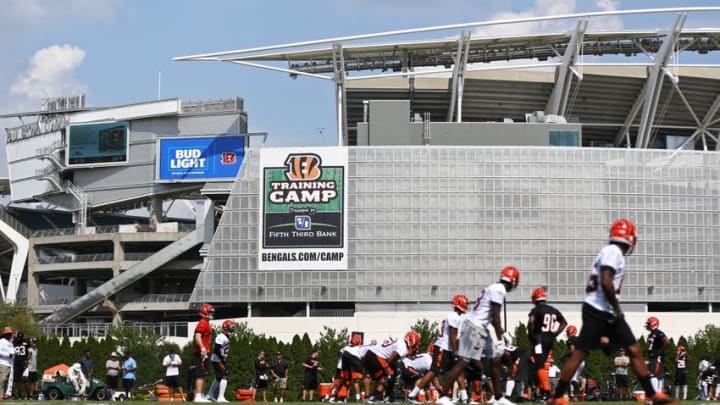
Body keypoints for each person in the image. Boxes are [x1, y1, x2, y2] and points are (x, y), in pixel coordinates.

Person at [547, 219, 674, 405]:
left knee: (631, 349)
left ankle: (652, 395)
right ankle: (556, 397)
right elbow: (606, 280)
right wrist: (616, 309)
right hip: (602, 309)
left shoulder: (609, 252)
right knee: (586, 352)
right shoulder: (613, 252)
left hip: (597, 308)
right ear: (629, 237)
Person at [436, 266, 521, 405]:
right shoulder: (499, 290)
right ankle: (443, 395)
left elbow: (492, 316)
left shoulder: (495, 288)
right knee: (463, 361)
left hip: (481, 328)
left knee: (495, 359)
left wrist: (501, 335)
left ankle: (498, 398)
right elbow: (495, 316)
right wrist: (501, 337)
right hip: (475, 327)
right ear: (513, 280)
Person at [408, 294, 469, 403]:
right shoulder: (454, 316)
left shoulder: (453, 316)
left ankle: (465, 398)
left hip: (448, 347)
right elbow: (452, 335)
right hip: (444, 347)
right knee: (434, 372)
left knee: (459, 370)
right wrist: (455, 352)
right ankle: (413, 394)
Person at [527, 287, 567, 400]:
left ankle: (548, 392)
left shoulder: (536, 310)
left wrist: (531, 333)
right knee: (542, 366)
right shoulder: (553, 310)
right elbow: (564, 322)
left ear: (535, 299)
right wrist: (555, 334)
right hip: (550, 340)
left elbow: (531, 322)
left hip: (539, 340)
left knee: (539, 366)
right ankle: (543, 393)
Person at [362, 331, 421, 402]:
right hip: (377, 356)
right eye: (415, 344)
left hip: (373, 354)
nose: (416, 346)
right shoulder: (403, 348)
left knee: (388, 375)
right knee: (389, 375)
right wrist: (391, 370)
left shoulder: (401, 341)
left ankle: (384, 396)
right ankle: (378, 397)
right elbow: (390, 359)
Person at [207, 320, 236, 402]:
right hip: (218, 360)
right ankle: (220, 397)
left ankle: (210, 395)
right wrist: (222, 358)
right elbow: (216, 349)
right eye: (231, 328)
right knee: (225, 375)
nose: (232, 329)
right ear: (225, 328)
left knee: (218, 378)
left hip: (219, 359)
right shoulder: (221, 337)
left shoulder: (226, 336)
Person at [193, 303, 215, 402]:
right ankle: (198, 396)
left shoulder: (207, 323)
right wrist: (202, 348)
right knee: (200, 375)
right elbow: (197, 336)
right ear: (205, 312)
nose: (212, 313)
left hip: (206, 352)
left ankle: (201, 395)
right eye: (210, 311)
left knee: (205, 375)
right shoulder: (202, 323)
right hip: (200, 353)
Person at [645, 316, 669, 393]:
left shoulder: (658, 333)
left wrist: (660, 352)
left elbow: (667, 342)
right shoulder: (651, 334)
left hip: (656, 357)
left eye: (649, 323)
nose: (647, 325)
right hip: (652, 357)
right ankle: (658, 393)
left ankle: (656, 393)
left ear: (653, 323)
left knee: (653, 375)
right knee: (657, 376)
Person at [12, 331, 28, 399]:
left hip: (24, 363)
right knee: (16, 380)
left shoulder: (26, 342)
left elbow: (29, 352)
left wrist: (26, 360)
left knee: (25, 379)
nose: (19, 339)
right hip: (16, 362)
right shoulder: (13, 342)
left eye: (20, 338)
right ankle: (16, 395)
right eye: (18, 337)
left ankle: (23, 395)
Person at [0, 328, 14, 399]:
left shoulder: (10, 343)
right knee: (2, 379)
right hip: (3, 363)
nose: (11, 335)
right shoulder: (1, 341)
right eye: (9, 334)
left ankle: (5, 395)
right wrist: (8, 355)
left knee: (7, 381)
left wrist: (13, 354)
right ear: (5, 334)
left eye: (11, 333)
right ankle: (0, 395)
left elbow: (13, 352)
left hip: (10, 364)